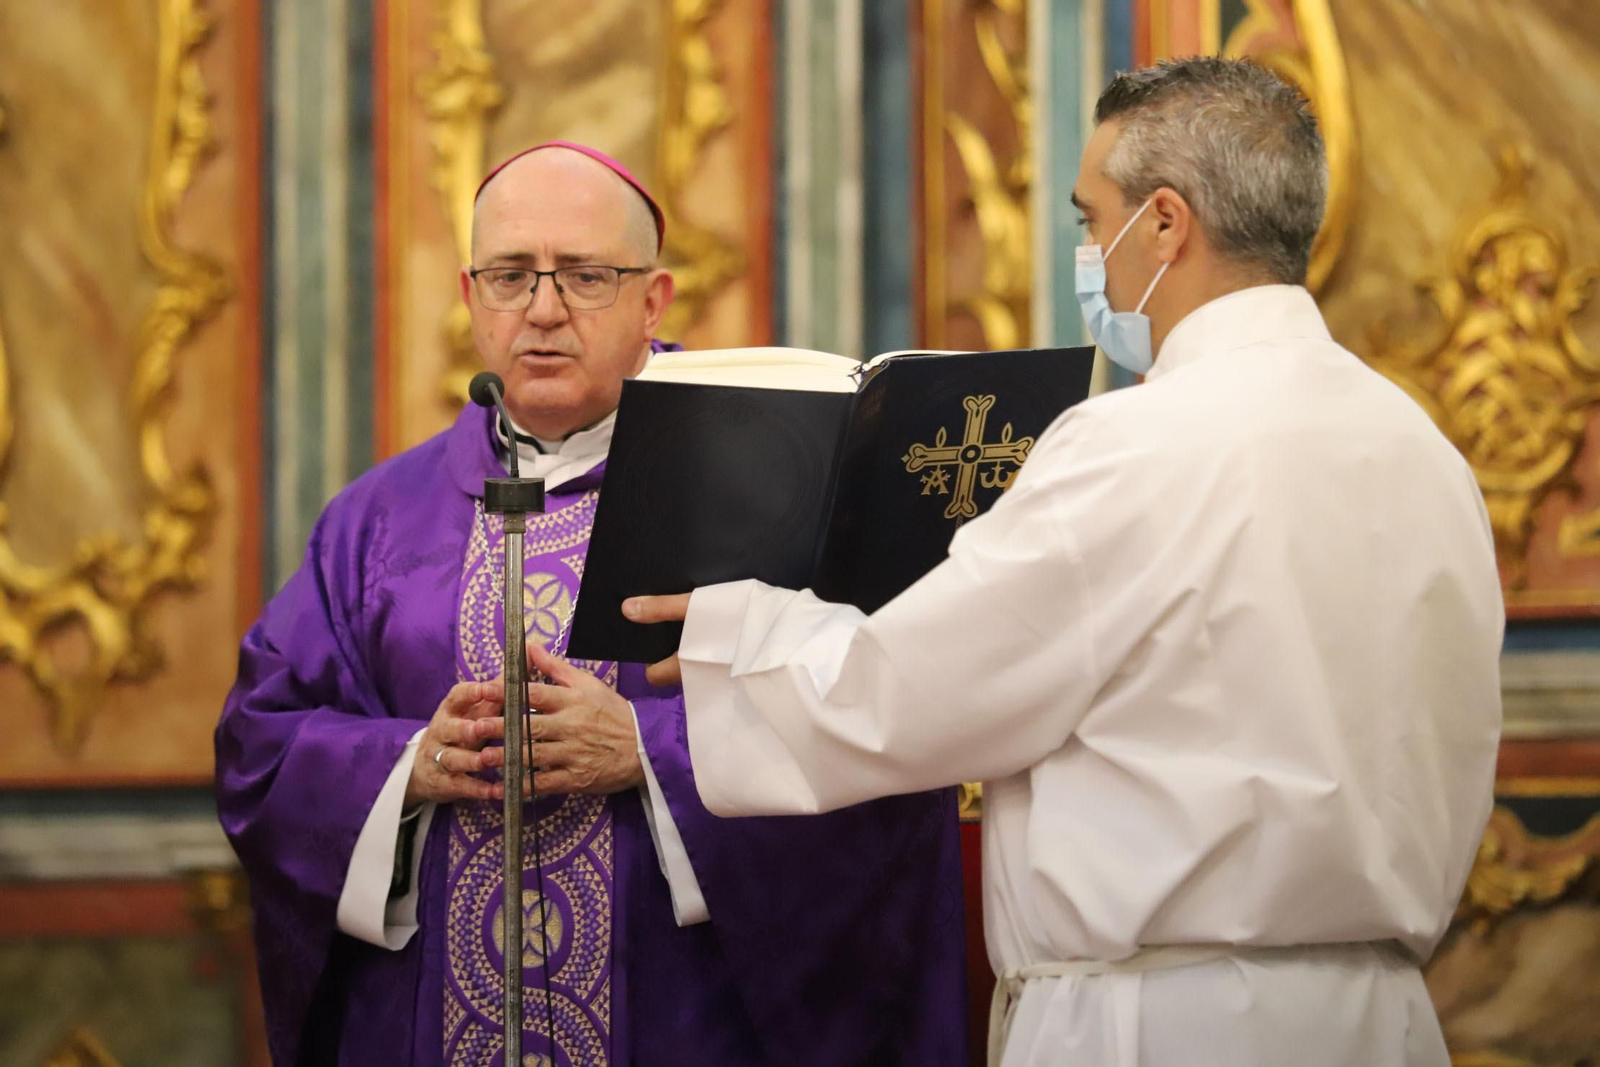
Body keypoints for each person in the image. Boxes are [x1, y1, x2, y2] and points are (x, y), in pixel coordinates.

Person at [619, 58, 1504, 1067]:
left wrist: (735, 630)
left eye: (1093, 220)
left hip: (1165, 1024)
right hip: (1379, 1017)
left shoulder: (1135, 443)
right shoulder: (1422, 448)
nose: (1091, 253)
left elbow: (908, 690)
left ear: (1165, 223)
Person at [215, 142, 966, 1066]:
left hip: (687, 1025)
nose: (542, 308)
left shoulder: (778, 495)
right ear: (468, 295)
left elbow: (888, 745)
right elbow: (261, 746)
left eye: (584, 275)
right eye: (509, 275)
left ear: (654, 300)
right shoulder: (377, 525)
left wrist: (648, 755)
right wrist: (410, 765)